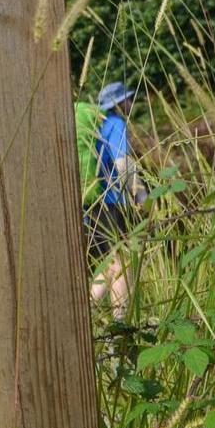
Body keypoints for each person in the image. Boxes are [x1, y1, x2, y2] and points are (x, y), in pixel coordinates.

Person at [85, 81, 141, 320]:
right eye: (127, 98)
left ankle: (87, 313)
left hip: (94, 202)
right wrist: (141, 195)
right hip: (115, 203)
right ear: (118, 103)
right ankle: (120, 322)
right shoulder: (116, 123)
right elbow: (123, 163)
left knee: (108, 263)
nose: (131, 102)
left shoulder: (96, 125)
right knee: (123, 262)